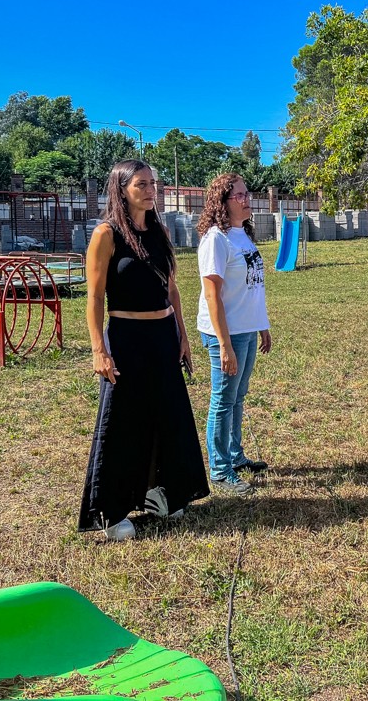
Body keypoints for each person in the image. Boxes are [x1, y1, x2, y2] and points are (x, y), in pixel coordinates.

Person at [79, 159, 209, 540]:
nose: (152, 190)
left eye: (154, 183)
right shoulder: (106, 234)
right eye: (142, 184)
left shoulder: (159, 230)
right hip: (127, 338)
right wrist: (98, 350)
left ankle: (166, 496)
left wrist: (182, 336)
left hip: (163, 336)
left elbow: (172, 290)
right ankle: (112, 512)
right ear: (122, 189)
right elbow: (94, 297)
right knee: (124, 424)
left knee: (169, 417)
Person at [196, 173, 272, 496]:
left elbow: (254, 287)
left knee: (237, 398)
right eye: (239, 195)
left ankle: (235, 455)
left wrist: (263, 326)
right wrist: (224, 344)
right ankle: (220, 469)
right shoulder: (216, 238)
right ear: (223, 202)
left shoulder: (243, 235)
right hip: (225, 334)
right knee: (223, 401)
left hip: (247, 330)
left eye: (246, 193)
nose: (246, 199)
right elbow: (212, 295)